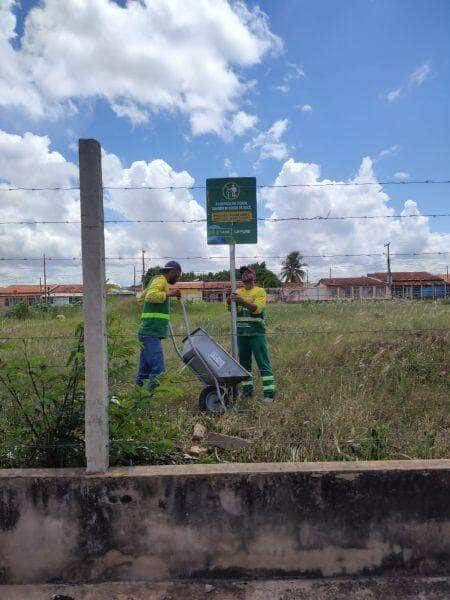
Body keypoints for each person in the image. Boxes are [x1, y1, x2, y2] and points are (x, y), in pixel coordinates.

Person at [227, 266, 276, 403]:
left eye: (248, 272)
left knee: (263, 362)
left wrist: (242, 301)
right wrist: (229, 301)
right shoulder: (237, 291)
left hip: (256, 333)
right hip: (242, 334)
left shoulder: (260, 291)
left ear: (253, 276)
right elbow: (231, 310)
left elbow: (257, 309)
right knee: (244, 364)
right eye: (242, 273)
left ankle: (269, 394)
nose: (245, 275)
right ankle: (247, 390)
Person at [136, 261, 182, 391]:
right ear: (172, 272)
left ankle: (138, 396)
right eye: (177, 275)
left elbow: (142, 297)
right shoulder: (160, 280)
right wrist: (169, 294)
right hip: (150, 332)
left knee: (144, 370)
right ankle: (151, 397)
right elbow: (150, 296)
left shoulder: (156, 281)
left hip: (148, 332)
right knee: (158, 369)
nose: (177, 278)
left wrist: (167, 293)